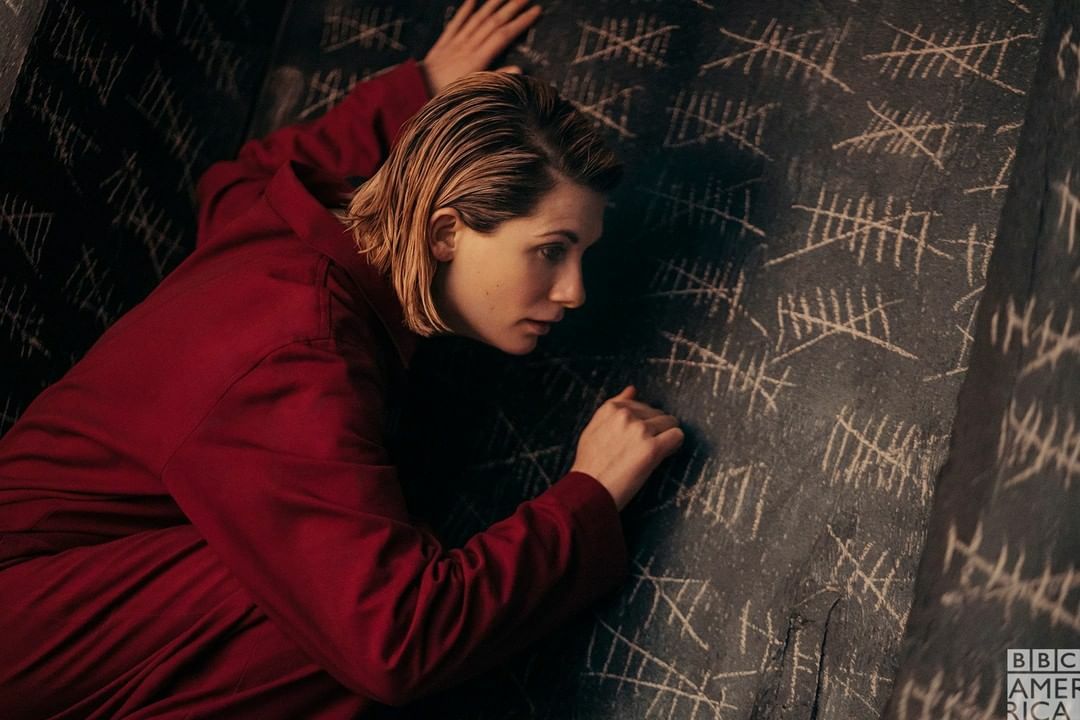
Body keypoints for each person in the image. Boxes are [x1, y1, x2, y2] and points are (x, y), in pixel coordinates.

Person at [0, 0, 684, 717]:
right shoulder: (300, 351)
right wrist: (589, 495)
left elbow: (238, 184)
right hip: (23, 624)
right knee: (330, 613)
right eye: (550, 251)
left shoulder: (288, 229)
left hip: (56, 604)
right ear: (445, 231)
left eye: (580, 254)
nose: (573, 291)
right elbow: (398, 641)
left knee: (334, 581)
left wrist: (416, 93)